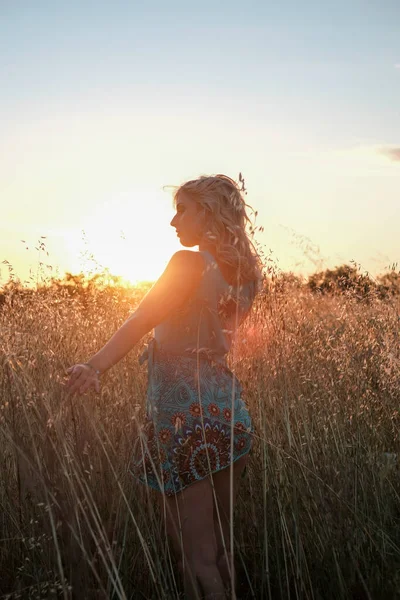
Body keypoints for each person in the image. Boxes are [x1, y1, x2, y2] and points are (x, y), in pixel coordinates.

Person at [66, 174, 263, 600]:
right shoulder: (248, 273)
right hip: (230, 414)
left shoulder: (187, 264)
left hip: (185, 421)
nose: (174, 222)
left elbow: (141, 320)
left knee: (195, 558)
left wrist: (94, 366)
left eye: (182, 210)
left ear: (207, 213)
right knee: (221, 550)